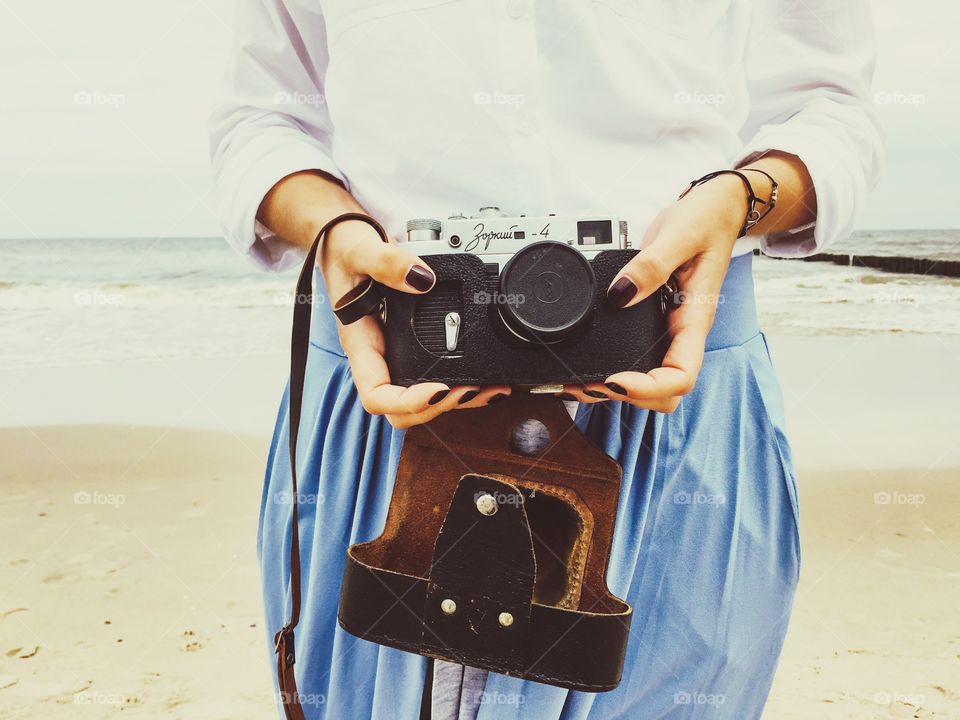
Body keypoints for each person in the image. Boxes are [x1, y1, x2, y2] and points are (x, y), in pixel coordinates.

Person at [210, 1, 882, 718]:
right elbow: (261, 117)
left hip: (677, 384)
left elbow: (830, 109)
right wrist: (334, 227)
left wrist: (740, 200)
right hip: (389, 386)